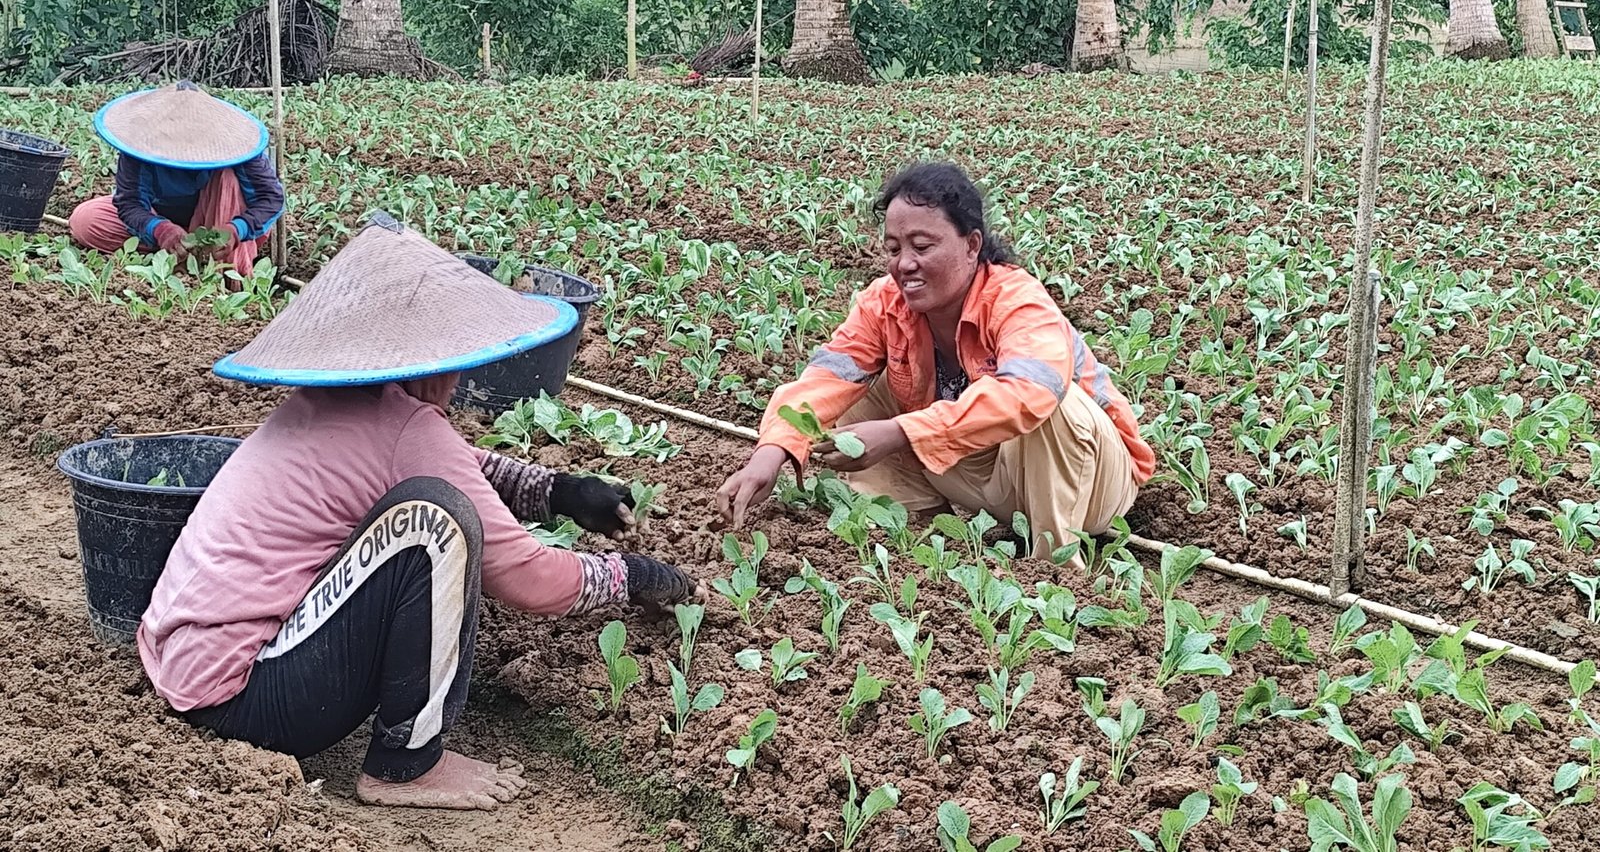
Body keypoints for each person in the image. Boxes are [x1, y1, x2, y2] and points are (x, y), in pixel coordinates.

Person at [137, 217, 701, 811]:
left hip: (182, 665)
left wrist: (557, 490)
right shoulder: (406, 428)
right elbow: (529, 579)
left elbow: (446, 458)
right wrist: (629, 575)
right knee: (439, 521)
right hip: (247, 702)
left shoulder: (325, 404)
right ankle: (406, 765)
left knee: (437, 503)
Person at [717, 162, 1156, 567]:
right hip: (986, 478)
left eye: (922, 246)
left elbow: (1029, 394)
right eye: (893, 248)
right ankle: (921, 536)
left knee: (1051, 401)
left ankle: (1054, 566)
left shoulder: (1016, 300)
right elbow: (825, 380)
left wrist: (899, 432)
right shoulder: (883, 304)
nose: (904, 263)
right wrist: (771, 452)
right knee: (853, 397)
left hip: (1091, 487)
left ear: (972, 246)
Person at [68, 80, 284, 278]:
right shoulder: (141, 147)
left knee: (227, 180)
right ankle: (179, 252)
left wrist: (236, 230)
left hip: (219, 221)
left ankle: (219, 269)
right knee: (86, 219)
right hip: (162, 217)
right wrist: (160, 230)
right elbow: (130, 202)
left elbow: (271, 198)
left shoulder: (236, 148)